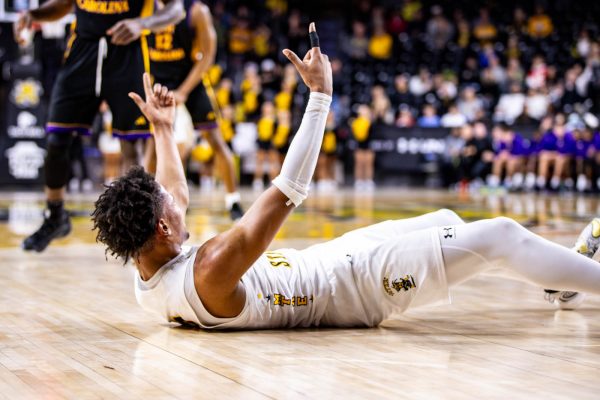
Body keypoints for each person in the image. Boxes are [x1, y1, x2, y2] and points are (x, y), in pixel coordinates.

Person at [93, 25, 599, 331]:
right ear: (162, 228)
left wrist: (162, 129)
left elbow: (170, 192)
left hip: (330, 263)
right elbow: (287, 191)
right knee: (501, 234)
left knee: (449, 219)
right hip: (354, 286)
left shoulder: (146, 265)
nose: (180, 202)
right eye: (171, 210)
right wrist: (319, 99)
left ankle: (560, 286)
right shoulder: (208, 269)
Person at [15, 0, 186, 252]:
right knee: (56, 139)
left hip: (126, 53)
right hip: (82, 51)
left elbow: (177, 9)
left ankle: (137, 230)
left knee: (131, 146)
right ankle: (55, 217)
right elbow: (64, 4)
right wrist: (33, 14)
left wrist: (142, 23)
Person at [145, 0, 243, 220]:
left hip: (191, 79)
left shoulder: (196, 10)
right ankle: (149, 202)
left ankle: (233, 200)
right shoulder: (145, 7)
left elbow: (208, 56)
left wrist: (183, 91)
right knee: (151, 144)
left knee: (216, 140)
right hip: (158, 80)